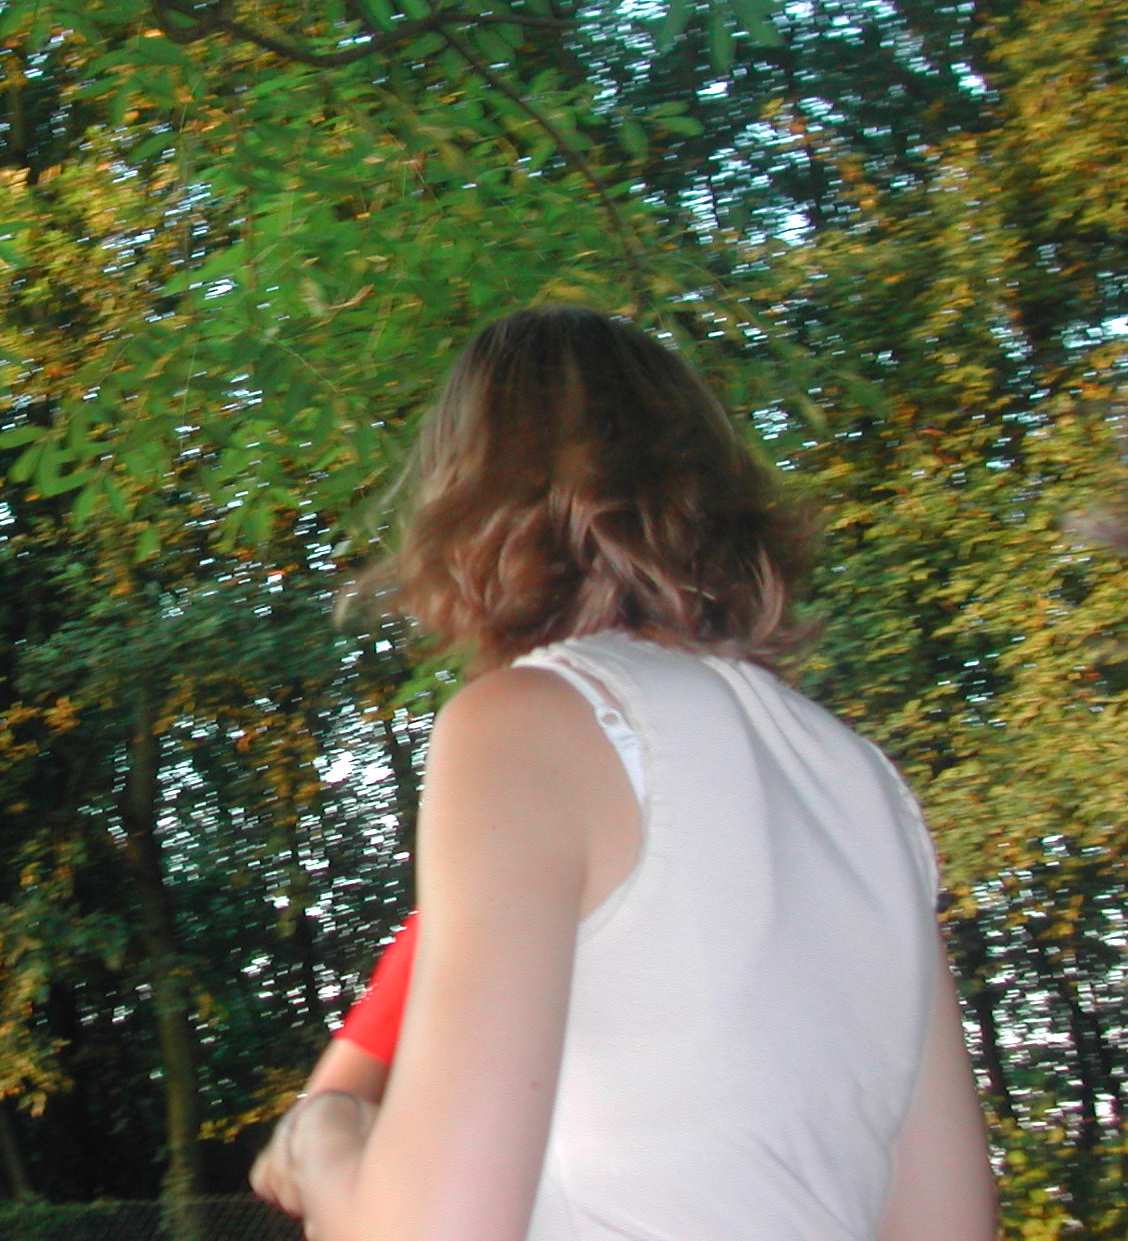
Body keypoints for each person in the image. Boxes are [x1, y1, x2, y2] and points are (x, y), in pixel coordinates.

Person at [248, 306, 998, 1241]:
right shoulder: (863, 782)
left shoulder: (525, 726)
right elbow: (948, 1221)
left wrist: (324, 1137)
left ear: (466, 501)